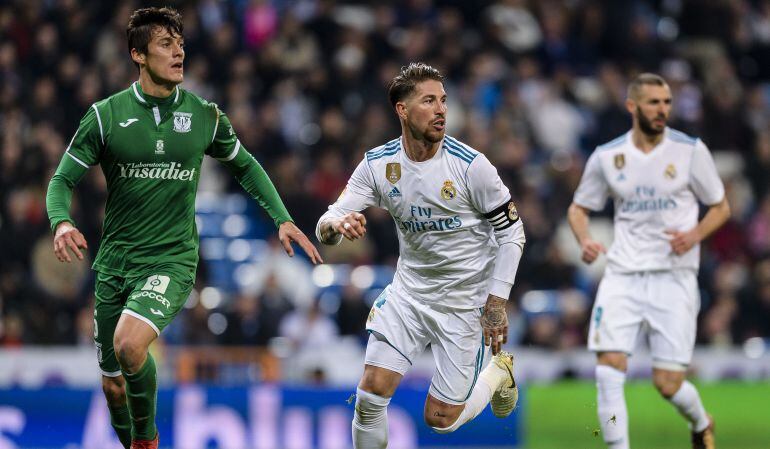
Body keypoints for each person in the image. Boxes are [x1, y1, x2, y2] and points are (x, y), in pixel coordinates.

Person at [45, 7, 321, 449]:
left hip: (171, 260)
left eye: (181, 44)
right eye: (165, 45)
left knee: (131, 345)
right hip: (115, 263)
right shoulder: (105, 117)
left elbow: (245, 166)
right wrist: (61, 221)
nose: (179, 53)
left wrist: (282, 218)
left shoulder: (205, 116)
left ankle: (148, 441)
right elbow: (62, 181)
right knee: (113, 386)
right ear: (138, 54)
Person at [316, 62, 525, 448]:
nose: (441, 109)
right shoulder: (379, 165)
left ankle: (498, 372)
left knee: (440, 420)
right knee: (370, 395)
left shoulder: (471, 167)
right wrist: (338, 226)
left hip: (465, 304)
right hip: (409, 294)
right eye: (428, 101)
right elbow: (327, 221)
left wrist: (496, 302)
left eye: (444, 100)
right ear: (403, 109)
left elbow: (513, 232)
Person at [567, 73, 730, 449]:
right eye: (654, 102)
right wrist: (586, 239)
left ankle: (702, 422)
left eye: (667, 102)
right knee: (608, 369)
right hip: (622, 274)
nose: (663, 110)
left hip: (674, 278)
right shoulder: (608, 156)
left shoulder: (690, 151)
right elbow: (578, 209)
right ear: (632, 106)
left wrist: (694, 235)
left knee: (667, 384)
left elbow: (721, 207)